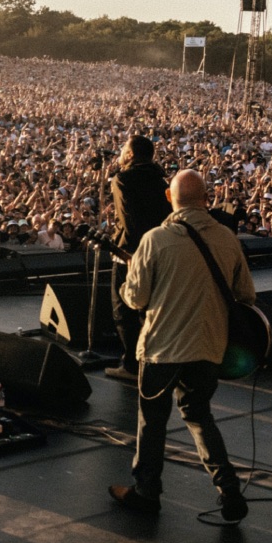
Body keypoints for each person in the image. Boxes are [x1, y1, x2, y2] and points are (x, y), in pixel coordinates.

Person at [110, 168, 252, 523]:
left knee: (152, 423)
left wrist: (131, 277)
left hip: (162, 348)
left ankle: (146, 492)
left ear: (170, 198)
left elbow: (136, 299)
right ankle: (229, 490)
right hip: (208, 347)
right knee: (200, 416)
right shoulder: (227, 238)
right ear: (207, 198)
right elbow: (246, 295)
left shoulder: (155, 239)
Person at [105, 135, 171, 383]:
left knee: (123, 309)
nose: (121, 153)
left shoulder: (122, 179)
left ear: (131, 154)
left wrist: (129, 252)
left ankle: (132, 366)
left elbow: (128, 220)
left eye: (124, 149)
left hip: (129, 254)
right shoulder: (160, 178)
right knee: (149, 310)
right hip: (158, 249)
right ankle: (150, 360)